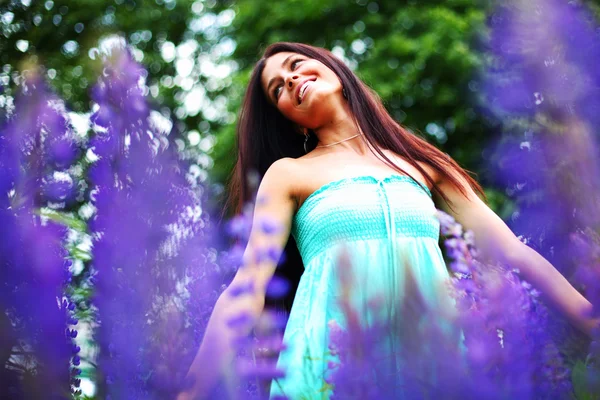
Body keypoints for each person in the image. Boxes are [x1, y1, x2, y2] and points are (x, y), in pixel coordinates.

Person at [177, 42, 597, 400]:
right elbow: (247, 288)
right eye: (277, 89)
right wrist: (190, 391)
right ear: (288, 117)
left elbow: (510, 250)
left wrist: (589, 319)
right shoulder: (289, 174)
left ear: (331, 67)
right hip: (329, 365)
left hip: (433, 358)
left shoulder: (422, 163)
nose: (289, 81)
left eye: (294, 66)